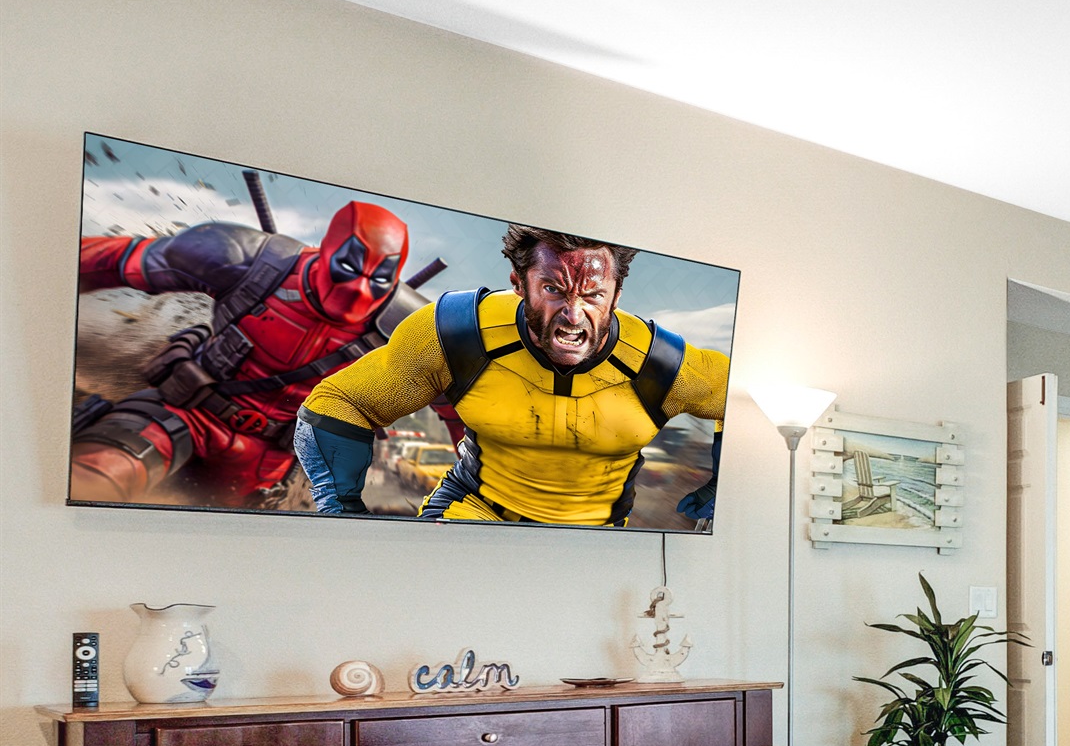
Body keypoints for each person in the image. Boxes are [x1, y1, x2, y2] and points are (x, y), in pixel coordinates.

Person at [297, 224, 725, 525]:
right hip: (472, 514)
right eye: (553, 289)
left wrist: (726, 484)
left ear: (616, 294)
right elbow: (337, 404)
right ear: (519, 284)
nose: (574, 316)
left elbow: (742, 400)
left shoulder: (663, 362)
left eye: (593, 294)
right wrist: (342, 514)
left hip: (596, 541)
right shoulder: (459, 332)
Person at [69, 201, 411, 506]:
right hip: (186, 413)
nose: (359, 289)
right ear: (326, 252)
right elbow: (115, 259)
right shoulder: (245, 259)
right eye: (349, 268)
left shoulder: (410, 326)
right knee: (96, 476)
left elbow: (459, 400)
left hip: (265, 462)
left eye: (379, 279)